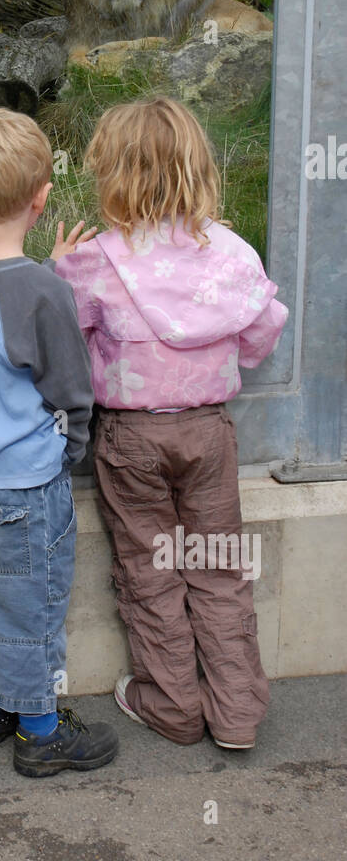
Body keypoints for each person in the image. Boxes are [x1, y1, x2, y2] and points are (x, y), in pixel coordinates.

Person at [51, 97, 288, 750]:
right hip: (208, 432)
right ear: (197, 168)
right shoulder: (231, 250)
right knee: (218, 569)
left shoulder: (96, 258)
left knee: (150, 569)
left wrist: (59, 270)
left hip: (132, 440)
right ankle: (238, 713)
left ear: (112, 175)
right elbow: (264, 331)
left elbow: (65, 339)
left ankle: (173, 704)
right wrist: (216, 359)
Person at [0, 107, 119, 778]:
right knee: (31, 607)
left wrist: (46, 271)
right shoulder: (42, 291)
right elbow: (70, 386)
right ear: (42, 199)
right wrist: (72, 454)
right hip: (23, 485)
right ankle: (40, 730)